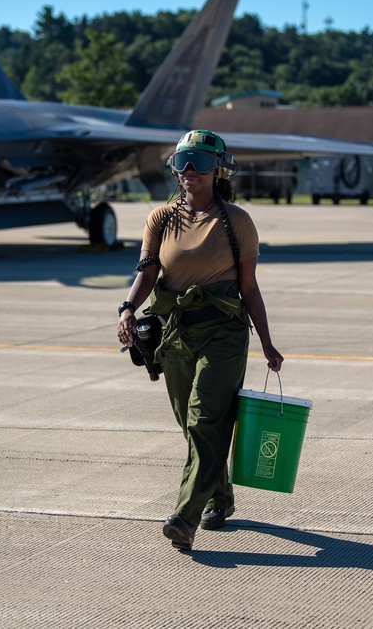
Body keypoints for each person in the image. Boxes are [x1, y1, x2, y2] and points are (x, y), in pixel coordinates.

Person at [116, 129, 283, 552]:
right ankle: (221, 497)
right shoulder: (160, 219)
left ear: (219, 169)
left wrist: (265, 342)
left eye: (201, 163)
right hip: (173, 334)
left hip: (224, 333)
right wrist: (127, 309)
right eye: (182, 161)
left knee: (204, 420)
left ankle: (184, 517)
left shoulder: (238, 221)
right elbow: (147, 273)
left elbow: (250, 288)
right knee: (191, 426)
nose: (190, 171)